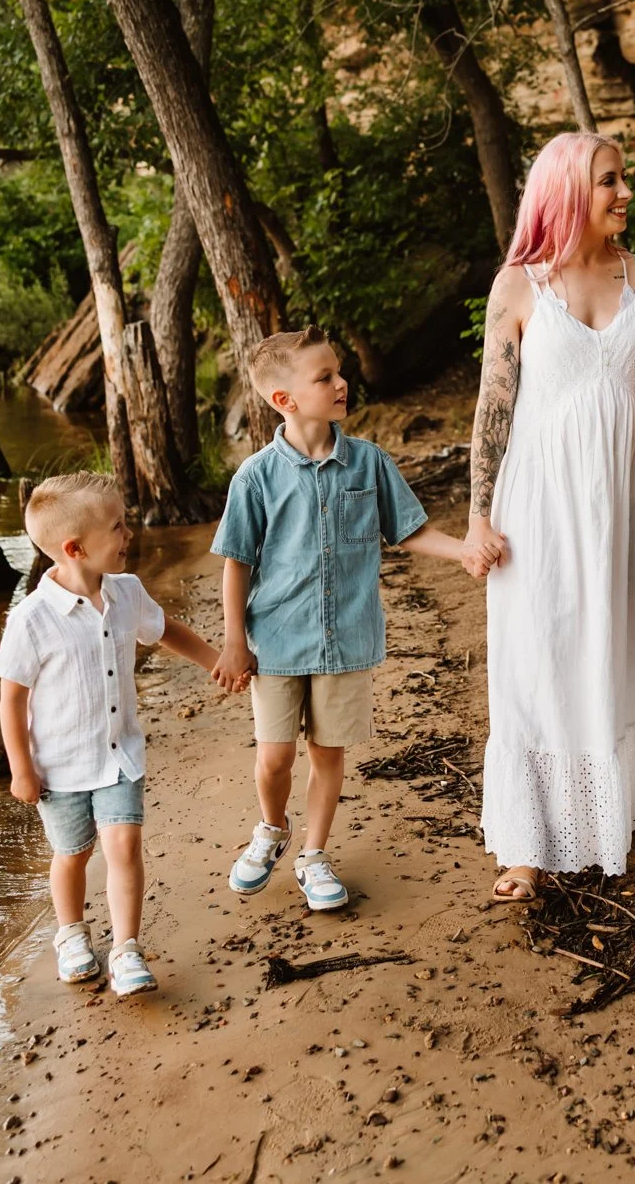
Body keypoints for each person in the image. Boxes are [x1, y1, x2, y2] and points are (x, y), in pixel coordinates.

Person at [464, 132, 635, 900]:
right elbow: (494, 407)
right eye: (609, 181)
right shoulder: (518, 286)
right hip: (541, 499)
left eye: (623, 179)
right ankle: (526, 844)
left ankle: (620, 804)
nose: (625, 193)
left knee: (622, 638)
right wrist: (479, 516)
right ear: (569, 190)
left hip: (629, 493)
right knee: (538, 654)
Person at [211, 327, 474, 912]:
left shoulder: (368, 463)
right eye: (324, 376)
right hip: (276, 642)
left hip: (346, 640)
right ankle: (272, 828)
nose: (340, 382)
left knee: (329, 752)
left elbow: (410, 530)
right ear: (284, 400)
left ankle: (313, 852)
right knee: (275, 757)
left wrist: (465, 551)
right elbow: (236, 564)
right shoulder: (256, 477)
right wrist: (234, 642)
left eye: (338, 371)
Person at [0, 471, 226, 997]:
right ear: (74, 548)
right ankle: (71, 934)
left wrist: (217, 661)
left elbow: (166, 632)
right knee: (71, 854)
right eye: (118, 527)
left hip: (120, 755)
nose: (130, 534)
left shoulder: (126, 593)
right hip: (60, 766)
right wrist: (21, 767)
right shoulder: (32, 619)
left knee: (123, 845)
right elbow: (12, 699)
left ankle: (125, 948)